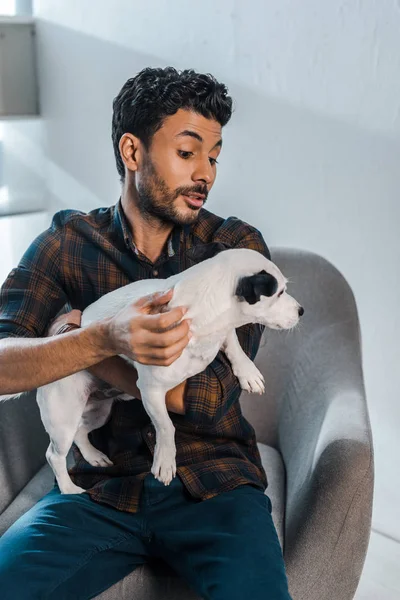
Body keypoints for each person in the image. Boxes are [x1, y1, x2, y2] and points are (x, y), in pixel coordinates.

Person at [0, 67, 292, 600]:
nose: (206, 172)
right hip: (98, 492)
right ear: (132, 151)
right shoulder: (67, 244)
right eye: (188, 152)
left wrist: (74, 331)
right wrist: (97, 338)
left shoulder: (234, 250)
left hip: (216, 484)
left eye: (215, 155)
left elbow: (203, 398)